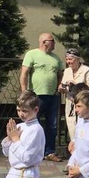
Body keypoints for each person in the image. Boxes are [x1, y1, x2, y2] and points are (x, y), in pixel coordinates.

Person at [20, 33, 64, 162]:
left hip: (52, 96)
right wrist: (24, 92)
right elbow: (24, 73)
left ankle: (49, 152)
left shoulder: (56, 58)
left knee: (52, 125)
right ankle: (30, 150)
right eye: (52, 41)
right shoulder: (32, 54)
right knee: (32, 123)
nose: (54, 43)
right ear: (44, 42)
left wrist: (59, 86)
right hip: (36, 96)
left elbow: (60, 74)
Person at [58, 48, 89, 143]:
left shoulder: (86, 70)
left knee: (83, 124)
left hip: (83, 102)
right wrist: (61, 88)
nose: (68, 62)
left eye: (70, 59)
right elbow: (63, 85)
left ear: (78, 59)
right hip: (70, 102)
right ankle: (75, 146)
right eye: (66, 59)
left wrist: (77, 85)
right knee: (71, 125)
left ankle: (85, 145)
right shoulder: (66, 71)